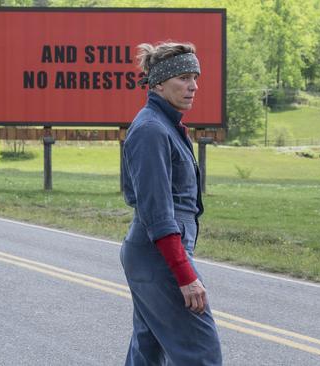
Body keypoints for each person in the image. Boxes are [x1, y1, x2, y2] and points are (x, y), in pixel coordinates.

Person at [120, 41, 223, 365]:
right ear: (159, 83)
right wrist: (184, 274)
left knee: (147, 352)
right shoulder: (151, 129)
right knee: (201, 353)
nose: (193, 86)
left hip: (152, 254)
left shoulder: (164, 125)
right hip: (159, 255)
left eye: (195, 77)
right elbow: (158, 213)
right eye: (183, 77)